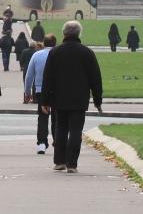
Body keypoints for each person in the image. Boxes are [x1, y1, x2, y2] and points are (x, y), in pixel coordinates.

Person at [40, 20, 103, 173]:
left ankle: (59, 161)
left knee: (60, 129)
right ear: (79, 33)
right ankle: (72, 163)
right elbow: (95, 79)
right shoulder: (87, 53)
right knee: (75, 131)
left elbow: (47, 78)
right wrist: (97, 100)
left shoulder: (55, 52)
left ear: (64, 33)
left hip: (59, 97)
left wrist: (44, 100)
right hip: (79, 98)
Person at [22, 34, 58, 155]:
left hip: (40, 89)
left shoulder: (37, 55)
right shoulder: (58, 54)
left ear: (44, 43)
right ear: (55, 43)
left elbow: (29, 76)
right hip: (56, 90)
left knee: (42, 117)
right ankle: (57, 139)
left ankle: (41, 143)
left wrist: (27, 92)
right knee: (56, 116)